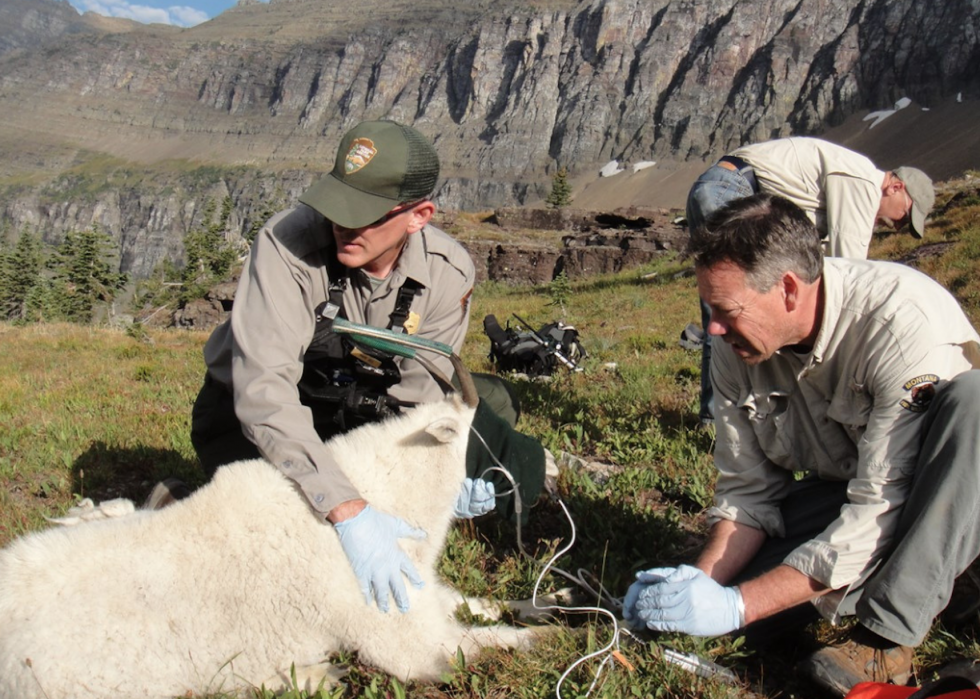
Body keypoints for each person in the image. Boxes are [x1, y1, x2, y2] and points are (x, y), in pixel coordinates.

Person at [623, 193, 980, 697]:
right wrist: (704, 585)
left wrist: (739, 604)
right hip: (850, 492)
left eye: (725, 310)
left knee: (976, 403)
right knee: (741, 616)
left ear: (788, 289)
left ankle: (886, 634)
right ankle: (939, 587)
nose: (714, 328)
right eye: (709, 309)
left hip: (938, 494)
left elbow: (880, 506)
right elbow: (747, 494)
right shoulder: (735, 344)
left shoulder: (899, 325)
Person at [187, 120, 543, 616]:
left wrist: (435, 477)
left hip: (359, 407)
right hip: (247, 418)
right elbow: (262, 392)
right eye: (338, 205)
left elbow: (421, 399)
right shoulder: (285, 246)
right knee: (272, 525)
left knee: (496, 416)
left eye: (365, 215)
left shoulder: (447, 271)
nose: (342, 225)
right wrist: (350, 511)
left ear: (419, 216)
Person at [685, 136, 935, 424]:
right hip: (732, 189)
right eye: (906, 213)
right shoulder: (864, 181)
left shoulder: (851, 173)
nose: (900, 225)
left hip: (717, 185)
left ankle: (718, 416)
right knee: (734, 314)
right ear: (896, 187)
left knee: (723, 315)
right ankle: (730, 418)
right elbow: (848, 265)